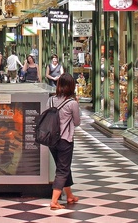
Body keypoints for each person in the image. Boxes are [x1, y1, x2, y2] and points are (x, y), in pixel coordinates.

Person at [48, 72, 81, 210]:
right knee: (62, 168)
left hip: (51, 140)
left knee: (63, 166)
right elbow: (77, 122)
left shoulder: (50, 100)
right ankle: (54, 201)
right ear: (71, 86)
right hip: (65, 139)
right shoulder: (72, 103)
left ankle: (69, 195)